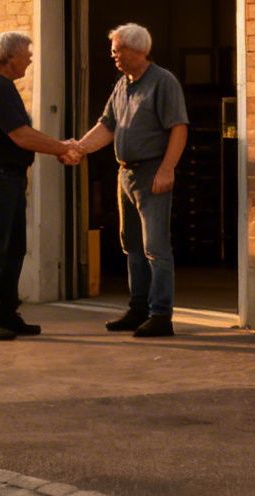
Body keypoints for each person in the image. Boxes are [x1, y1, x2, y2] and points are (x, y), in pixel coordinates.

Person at [62, 22, 189, 338]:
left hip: (151, 173)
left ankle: (161, 315)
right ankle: (138, 309)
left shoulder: (162, 82)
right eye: (113, 50)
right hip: (126, 174)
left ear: (138, 50)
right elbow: (106, 126)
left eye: (118, 50)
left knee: (155, 247)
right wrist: (78, 148)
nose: (113, 55)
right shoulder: (122, 85)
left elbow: (179, 127)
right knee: (131, 244)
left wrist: (167, 169)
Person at [0, 31, 80, 341]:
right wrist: (60, 147)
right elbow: (21, 135)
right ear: (11, 56)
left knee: (13, 248)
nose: (30, 58)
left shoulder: (1, 87)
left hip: (9, 176)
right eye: (27, 53)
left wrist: (56, 146)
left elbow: (24, 134)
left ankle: (6, 314)